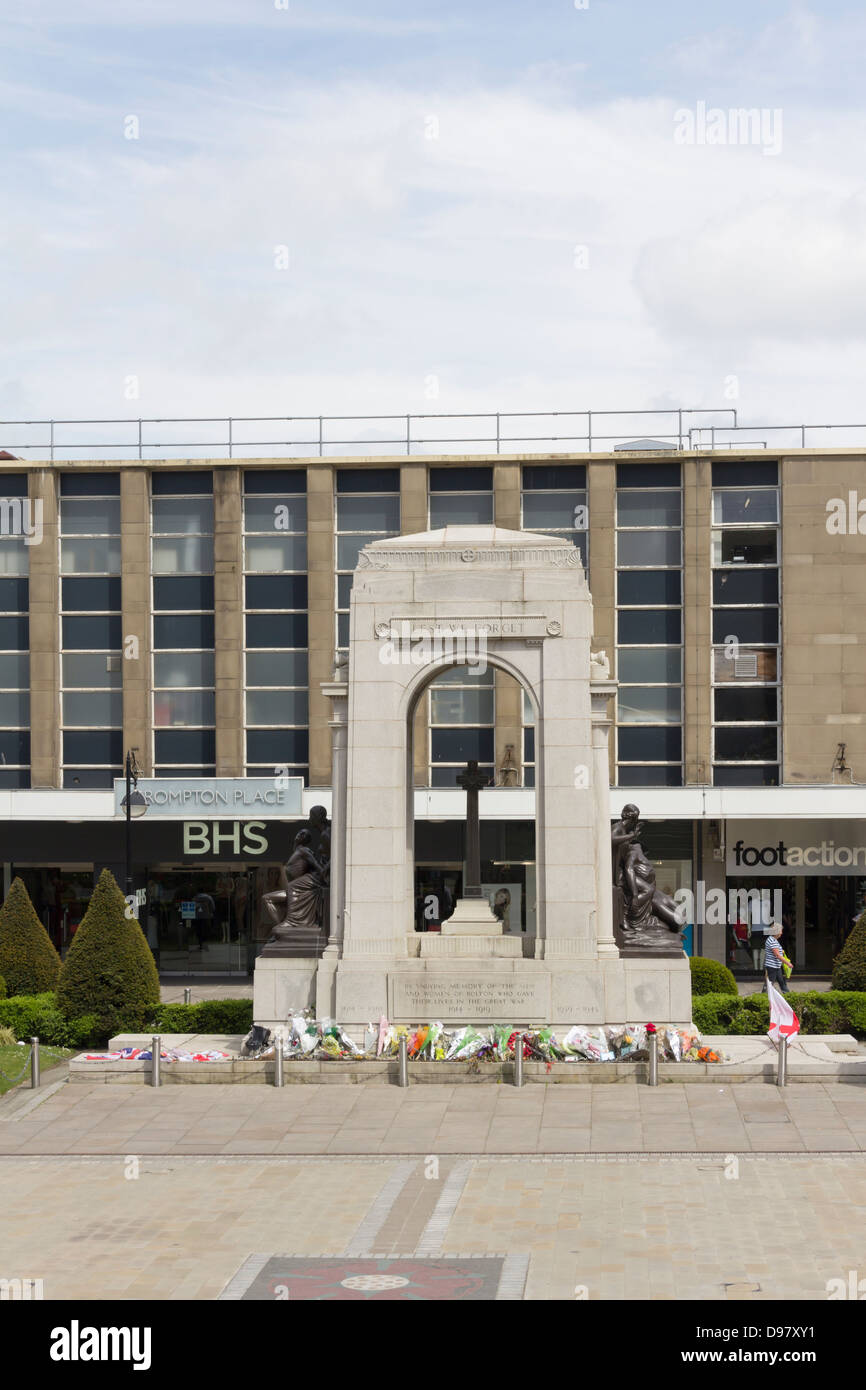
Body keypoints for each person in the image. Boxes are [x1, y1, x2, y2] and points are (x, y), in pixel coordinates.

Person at [763, 922, 788, 993]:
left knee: (782, 982)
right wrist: (788, 963)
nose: (781, 933)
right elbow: (777, 955)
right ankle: (762, 997)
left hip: (776, 966)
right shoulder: (772, 941)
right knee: (769, 984)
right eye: (780, 931)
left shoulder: (772, 939)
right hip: (772, 967)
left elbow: (776, 951)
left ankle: (788, 995)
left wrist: (781, 951)